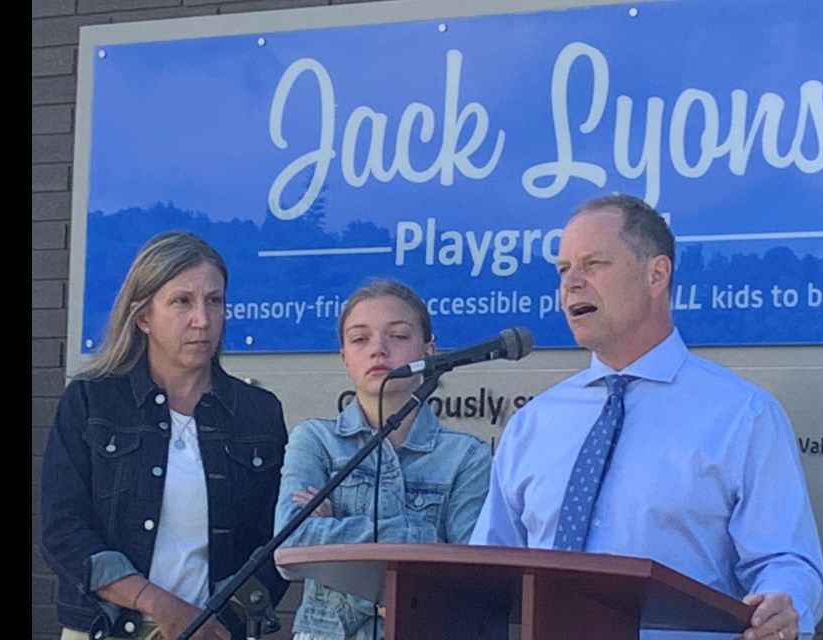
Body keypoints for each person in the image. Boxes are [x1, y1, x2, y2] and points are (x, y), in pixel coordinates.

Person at [470, 194, 823, 640]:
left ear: (656, 274)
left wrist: (782, 602)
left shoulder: (743, 416)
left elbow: (786, 560)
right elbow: (486, 568)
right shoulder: (533, 424)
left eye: (593, 264)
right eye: (563, 270)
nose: (571, 284)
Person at [40, 231, 289, 640]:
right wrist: (157, 604)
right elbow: (62, 528)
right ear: (143, 317)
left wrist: (226, 619)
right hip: (106, 629)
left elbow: (275, 539)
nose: (203, 320)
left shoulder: (258, 412)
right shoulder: (91, 401)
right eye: (182, 301)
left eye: (214, 300)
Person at [274, 278, 492, 640]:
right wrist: (419, 538)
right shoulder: (315, 439)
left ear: (430, 351)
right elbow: (291, 547)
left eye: (399, 336)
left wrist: (338, 532)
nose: (378, 349)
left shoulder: (466, 456)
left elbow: (469, 577)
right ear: (344, 359)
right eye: (360, 339)